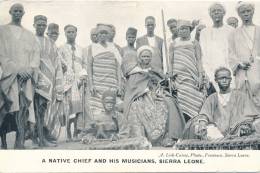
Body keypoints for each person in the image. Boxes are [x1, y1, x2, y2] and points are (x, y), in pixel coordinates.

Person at [123, 45, 185, 146]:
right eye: (143, 56)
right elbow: (132, 89)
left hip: (157, 93)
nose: (146, 59)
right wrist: (144, 90)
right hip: (141, 96)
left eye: (148, 56)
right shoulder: (135, 72)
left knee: (169, 102)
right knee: (137, 107)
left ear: (151, 57)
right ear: (139, 57)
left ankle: (169, 136)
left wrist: (167, 82)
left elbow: (163, 83)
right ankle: (146, 138)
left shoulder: (155, 70)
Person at [0, 3, 40, 149]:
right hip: (8, 76)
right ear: (10, 12)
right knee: (6, 106)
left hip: (25, 78)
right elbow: (2, 54)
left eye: (20, 11)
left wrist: (30, 69)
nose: (17, 13)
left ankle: (20, 140)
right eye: (15, 11)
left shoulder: (29, 35)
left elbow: (36, 54)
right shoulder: (2, 31)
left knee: (23, 107)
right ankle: (3, 142)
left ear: (23, 13)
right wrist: (16, 69)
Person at [183, 67, 260, 139]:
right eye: (221, 78)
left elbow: (250, 114)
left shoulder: (241, 96)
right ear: (216, 80)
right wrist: (202, 123)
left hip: (238, 133)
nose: (224, 80)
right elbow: (204, 114)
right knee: (197, 127)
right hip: (216, 134)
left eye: (226, 78)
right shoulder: (212, 98)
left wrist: (245, 125)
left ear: (230, 79)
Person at [33, 15, 63, 147]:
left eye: (43, 25)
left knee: (44, 110)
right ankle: (37, 138)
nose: (41, 27)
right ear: (34, 25)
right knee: (35, 110)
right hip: (34, 80)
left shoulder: (51, 43)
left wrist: (57, 83)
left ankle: (42, 136)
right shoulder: (30, 40)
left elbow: (57, 63)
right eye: (38, 24)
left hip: (49, 83)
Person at [87, 24, 122, 130]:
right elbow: (89, 67)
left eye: (105, 33)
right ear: (97, 35)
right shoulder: (92, 47)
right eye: (100, 33)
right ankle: (99, 131)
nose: (102, 35)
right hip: (98, 83)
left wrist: (119, 85)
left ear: (108, 35)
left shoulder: (113, 48)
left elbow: (118, 67)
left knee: (112, 105)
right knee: (98, 108)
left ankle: (112, 130)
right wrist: (91, 84)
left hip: (111, 82)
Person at [169, 20, 205, 121]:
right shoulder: (173, 44)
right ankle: (184, 125)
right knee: (182, 100)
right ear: (178, 30)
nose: (183, 31)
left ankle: (195, 122)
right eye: (181, 29)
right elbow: (170, 62)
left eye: (185, 28)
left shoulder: (194, 43)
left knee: (195, 98)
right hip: (179, 77)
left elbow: (198, 60)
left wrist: (200, 76)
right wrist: (171, 79)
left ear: (190, 30)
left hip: (192, 76)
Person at [228, 2, 260, 111]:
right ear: (239, 14)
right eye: (243, 12)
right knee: (243, 103)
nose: (246, 14)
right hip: (242, 73)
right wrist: (239, 64)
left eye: (248, 11)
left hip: (258, 71)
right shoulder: (233, 33)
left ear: (253, 12)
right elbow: (231, 53)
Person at [59, 24, 86, 141]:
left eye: (73, 32)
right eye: (68, 32)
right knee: (68, 108)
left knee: (78, 108)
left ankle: (76, 132)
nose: (71, 34)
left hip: (79, 81)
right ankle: (68, 134)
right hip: (67, 82)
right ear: (65, 33)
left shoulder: (81, 49)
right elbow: (60, 66)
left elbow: (84, 64)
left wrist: (82, 77)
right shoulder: (61, 49)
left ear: (76, 33)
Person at [200, 2, 234, 91]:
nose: (216, 13)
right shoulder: (204, 32)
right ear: (210, 14)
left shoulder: (231, 30)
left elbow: (234, 53)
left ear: (224, 13)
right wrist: (207, 74)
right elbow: (203, 54)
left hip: (229, 71)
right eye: (213, 11)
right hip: (211, 72)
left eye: (219, 10)